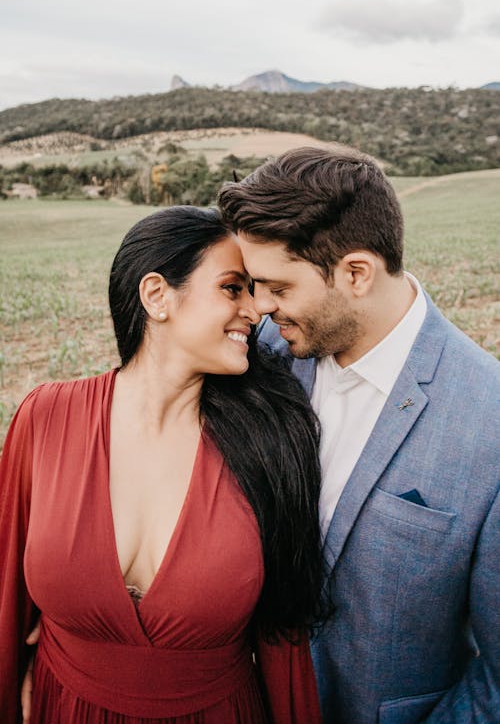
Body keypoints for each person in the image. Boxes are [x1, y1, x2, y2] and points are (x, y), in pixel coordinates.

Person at [0, 205, 326, 724]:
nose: (255, 309)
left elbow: (284, 638)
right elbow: (6, 600)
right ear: (157, 295)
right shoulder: (47, 417)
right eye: (232, 287)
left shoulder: (269, 439)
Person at [218, 146, 500, 724]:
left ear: (355, 273)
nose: (260, 307)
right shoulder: (256, 358)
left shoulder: (489, 419)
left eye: (277, 287)